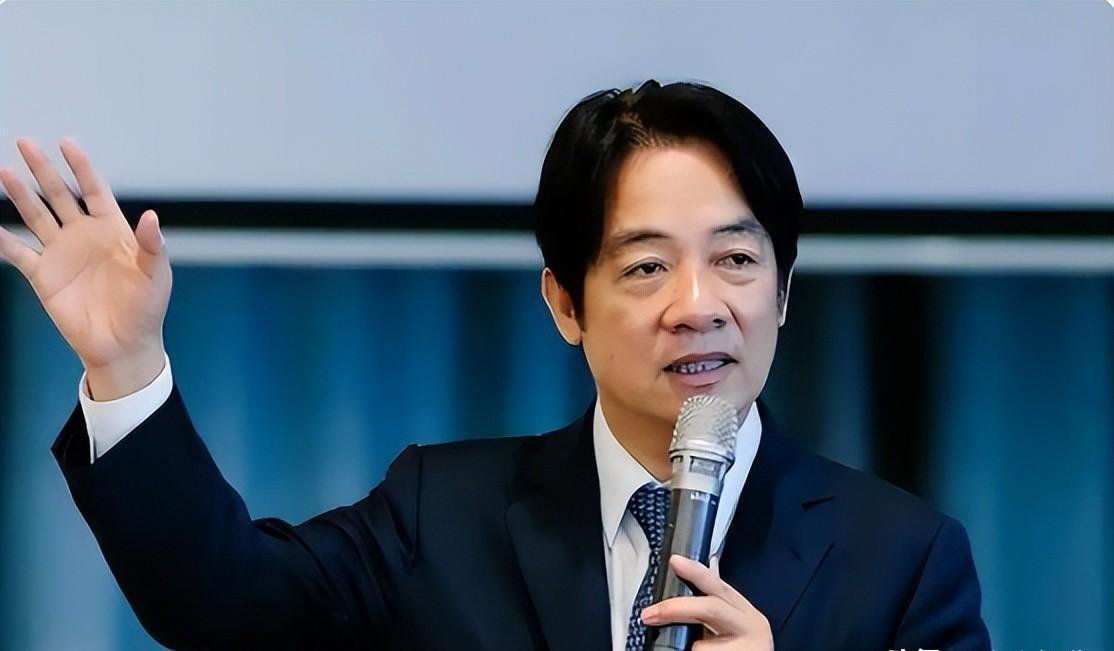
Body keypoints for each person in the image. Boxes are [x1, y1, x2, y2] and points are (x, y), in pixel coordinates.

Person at [0, 81, 992, 651]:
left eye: (735, 259)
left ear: (782, 291)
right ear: (564, 302)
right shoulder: (445, 512)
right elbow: (226, 608)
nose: (698, 304)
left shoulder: (903, 559)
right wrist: (127, 364)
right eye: (646, 266)